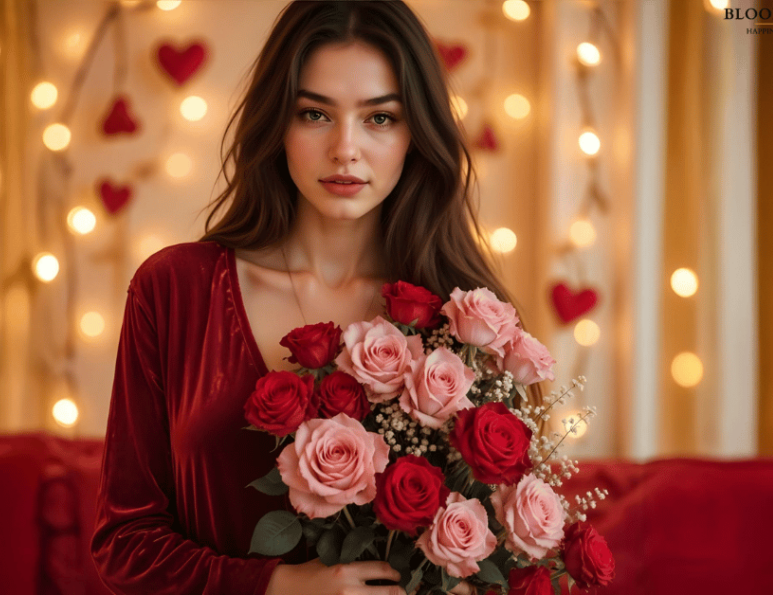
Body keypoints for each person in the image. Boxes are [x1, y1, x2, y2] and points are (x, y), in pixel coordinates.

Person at [91, 2, 527, 594]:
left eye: (379, 118)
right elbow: (123, 545)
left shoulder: (467, 323)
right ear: (278, 123)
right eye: (316, 113)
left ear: (415, 134)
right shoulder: (173, 290)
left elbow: (504, 555)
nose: (345, 148)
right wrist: (277, 588)